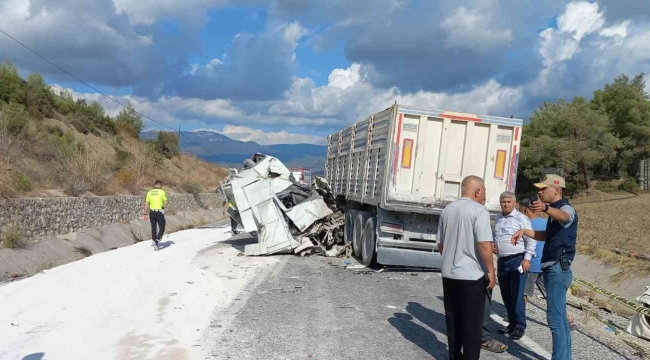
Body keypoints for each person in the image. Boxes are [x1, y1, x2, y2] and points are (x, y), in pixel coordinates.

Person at [512, 174, 578, 360]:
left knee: (556, 321)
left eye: (543, 189)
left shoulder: (564, 209)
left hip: (557, 268)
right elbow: (545, 236)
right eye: (538, 189)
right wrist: (525, 231)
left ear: (556, 190)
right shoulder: (553, 212)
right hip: (554, 268)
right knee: (560, 320)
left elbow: (565, 216)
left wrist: (546, 208)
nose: (539, 192)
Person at [437, 176, 496, 360]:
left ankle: (454, 357)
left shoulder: (447, 210)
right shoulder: (479, 210)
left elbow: (441, 244)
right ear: (478, 191)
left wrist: (451, 258)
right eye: (484, 191)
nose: (484, 195)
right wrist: (491, 271)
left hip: (449, 274)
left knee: (453, 321)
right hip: (471, 275)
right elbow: (484, 244)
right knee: (472, 325)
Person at [520, 199, 577, 332]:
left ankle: (518, 319)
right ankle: (568, 320)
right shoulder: (546, 223)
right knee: (552, 296)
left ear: (525, 210)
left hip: (532, 265)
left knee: (524, 293)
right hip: (546, 264)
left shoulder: (526, 224)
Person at [493, 191, 536, 340]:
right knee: (506, 295)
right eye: (503, 202)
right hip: (502, 261)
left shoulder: (521, 218)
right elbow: (496, 236)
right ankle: (511, 324)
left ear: (514, 202)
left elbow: (532, 240)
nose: (506, 204)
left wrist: (527, 258)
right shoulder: (497, 218)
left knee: (517, 294)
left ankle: (520, 326)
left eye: (508, 202)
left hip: (517, 260)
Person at [144, 180, 168, 251]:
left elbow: (146, 203)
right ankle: (156, 240)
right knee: (162, 227)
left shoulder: (149, 192)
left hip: (151, 212)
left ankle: (154, 241)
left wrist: (145, 213)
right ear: (160, 185)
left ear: (155, 185)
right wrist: (163, 205)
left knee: (153, 227)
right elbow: (166, 202)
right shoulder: (162, 192)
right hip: (159, 212)